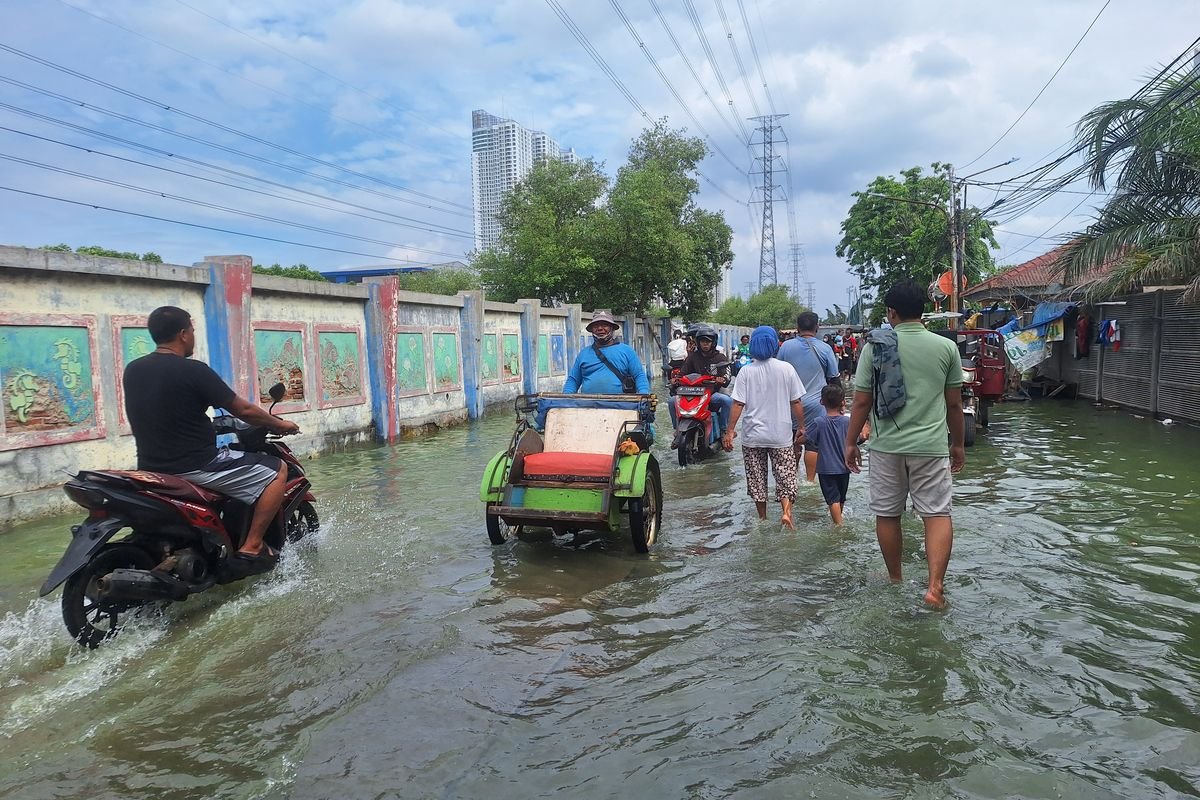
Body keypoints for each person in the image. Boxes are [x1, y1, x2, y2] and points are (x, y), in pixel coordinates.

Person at [123, 306, 300, 568]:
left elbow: (167, 409)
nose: (193, 336)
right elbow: (244, 410)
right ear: (183, 334)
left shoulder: (133, 370)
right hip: (195, 465)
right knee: (277, 471)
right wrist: (279, 424)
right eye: (192, 330)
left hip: (152, 469)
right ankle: (252, 545)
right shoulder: (194, 370)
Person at [843, 280, 964, 609]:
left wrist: (850, 442)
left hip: (886, 447)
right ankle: (935, 587)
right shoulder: (945, 348)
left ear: (891, 313)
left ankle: (895, 578)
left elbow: (860, 403)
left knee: (888, 514)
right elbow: (954, 405)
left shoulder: (875, 347)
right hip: (931, 446)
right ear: (923, 311)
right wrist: (958, 445)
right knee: (937, 514)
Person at [721, 326, 806, 529]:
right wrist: (802, 426)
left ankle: (762, 518)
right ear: (775, 343)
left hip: (753, 436)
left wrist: (730, 431)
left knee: (757, 479)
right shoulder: (786, 369)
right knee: (785, 476)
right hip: (781, 435)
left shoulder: (746, 372)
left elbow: (738, 404)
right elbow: (796, 402)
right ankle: (786, 513)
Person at [777, 311, 840, 483]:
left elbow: (778, 375)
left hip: (790, 405)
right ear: (817, 327)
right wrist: (840, 406)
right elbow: (834, 379)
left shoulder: (785, 348)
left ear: (797, 328)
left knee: (792, 442)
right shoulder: (825, 348)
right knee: (813, 444)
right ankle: (810, 481)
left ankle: (792, 479)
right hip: (817, 405)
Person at [563, 311, 650, 395]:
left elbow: (639, 376)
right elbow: (573, 380)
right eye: (596, 326)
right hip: (588, 405)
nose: (600, 328)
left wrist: (644, 394)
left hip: (622, 405)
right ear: (592, 330)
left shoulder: (627, 351)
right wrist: (565, 398)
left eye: (605, 325)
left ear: (612, 328)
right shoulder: (583, 354)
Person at [668, 325, 732, 433]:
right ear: (698, 342)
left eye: (708, 341)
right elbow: (682, 373)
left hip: (711, 393)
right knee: (671, 401)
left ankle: (724, 430)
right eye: (703, 341)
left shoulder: (720, 358)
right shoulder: (692, 357)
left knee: (727, 401)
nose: (705, 344)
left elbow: (727, 374)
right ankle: (677, 430)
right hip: (692, 393)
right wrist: (675, 380)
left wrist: (723, 379)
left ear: (713, 342)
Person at [808, 383, 853, 524]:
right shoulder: (847, 421)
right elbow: (857, 439)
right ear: (843, 402)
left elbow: (808, 439)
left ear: (821, 402)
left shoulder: (818, 422)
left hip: (826, 470)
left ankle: (839, 525)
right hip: (844, 467)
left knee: (832, 499)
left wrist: (799, 437)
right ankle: (839, 518)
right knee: (841, 497)